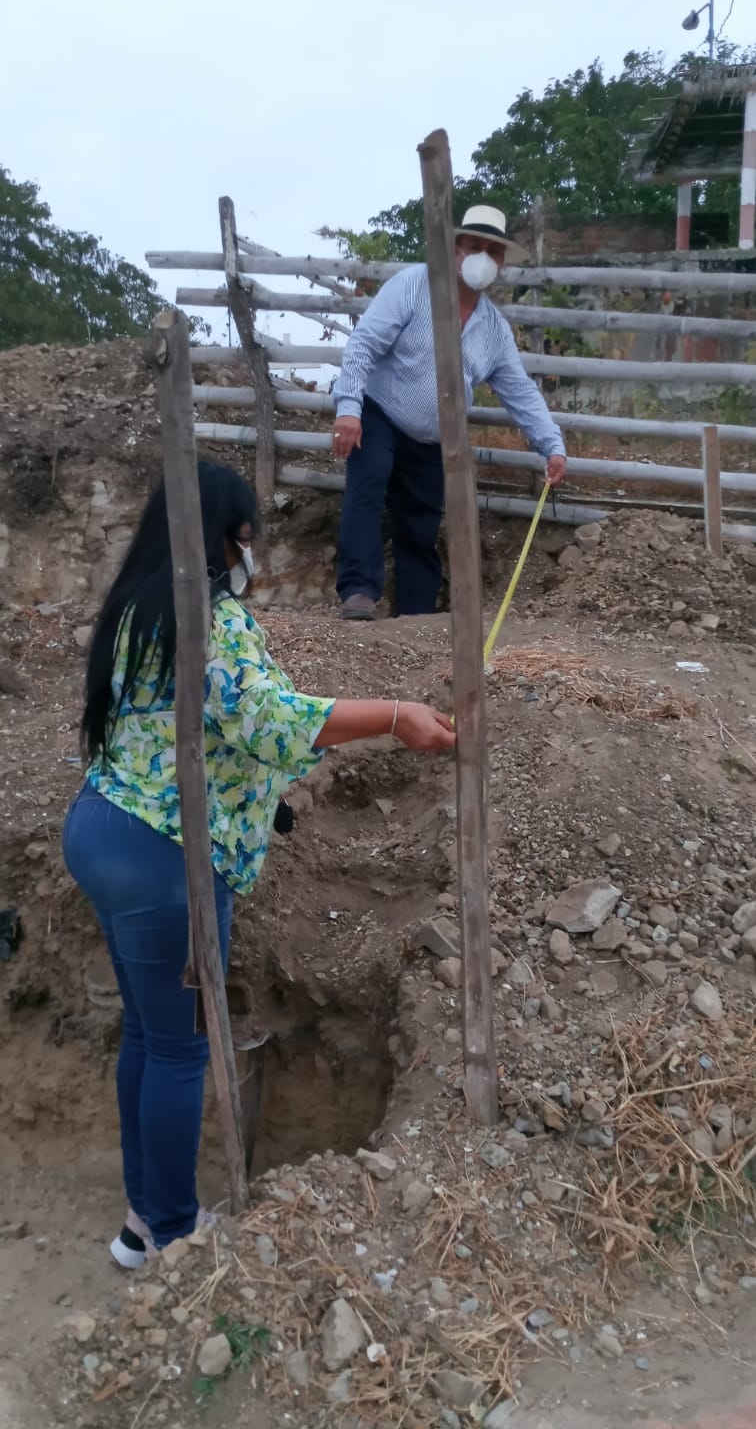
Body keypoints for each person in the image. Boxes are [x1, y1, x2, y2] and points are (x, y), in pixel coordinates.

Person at [63, 461, 454, 1267]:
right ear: (216, 538)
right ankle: (171, 1231)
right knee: (179, 1048)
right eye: (244, 537)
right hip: (163, 857)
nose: (250, 553)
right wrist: (394, 715)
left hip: (100, 829)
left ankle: (143, 1218)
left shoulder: (135, 607)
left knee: (148, 1033)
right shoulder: (212, 619)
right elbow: (269, 723)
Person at [332, 205, 568, 621]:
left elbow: (519, 391)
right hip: (380, 413)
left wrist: (552, 445)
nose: (482, 258)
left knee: (421, 523)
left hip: (435, 438)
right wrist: (349, 407)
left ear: (501, 263)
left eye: (492, 251)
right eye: (474, 246)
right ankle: (359, 591)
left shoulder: (494, 331)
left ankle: (419, 618)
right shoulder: (411, 287)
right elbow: (364, 344)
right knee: (368, 485)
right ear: (455, 248)